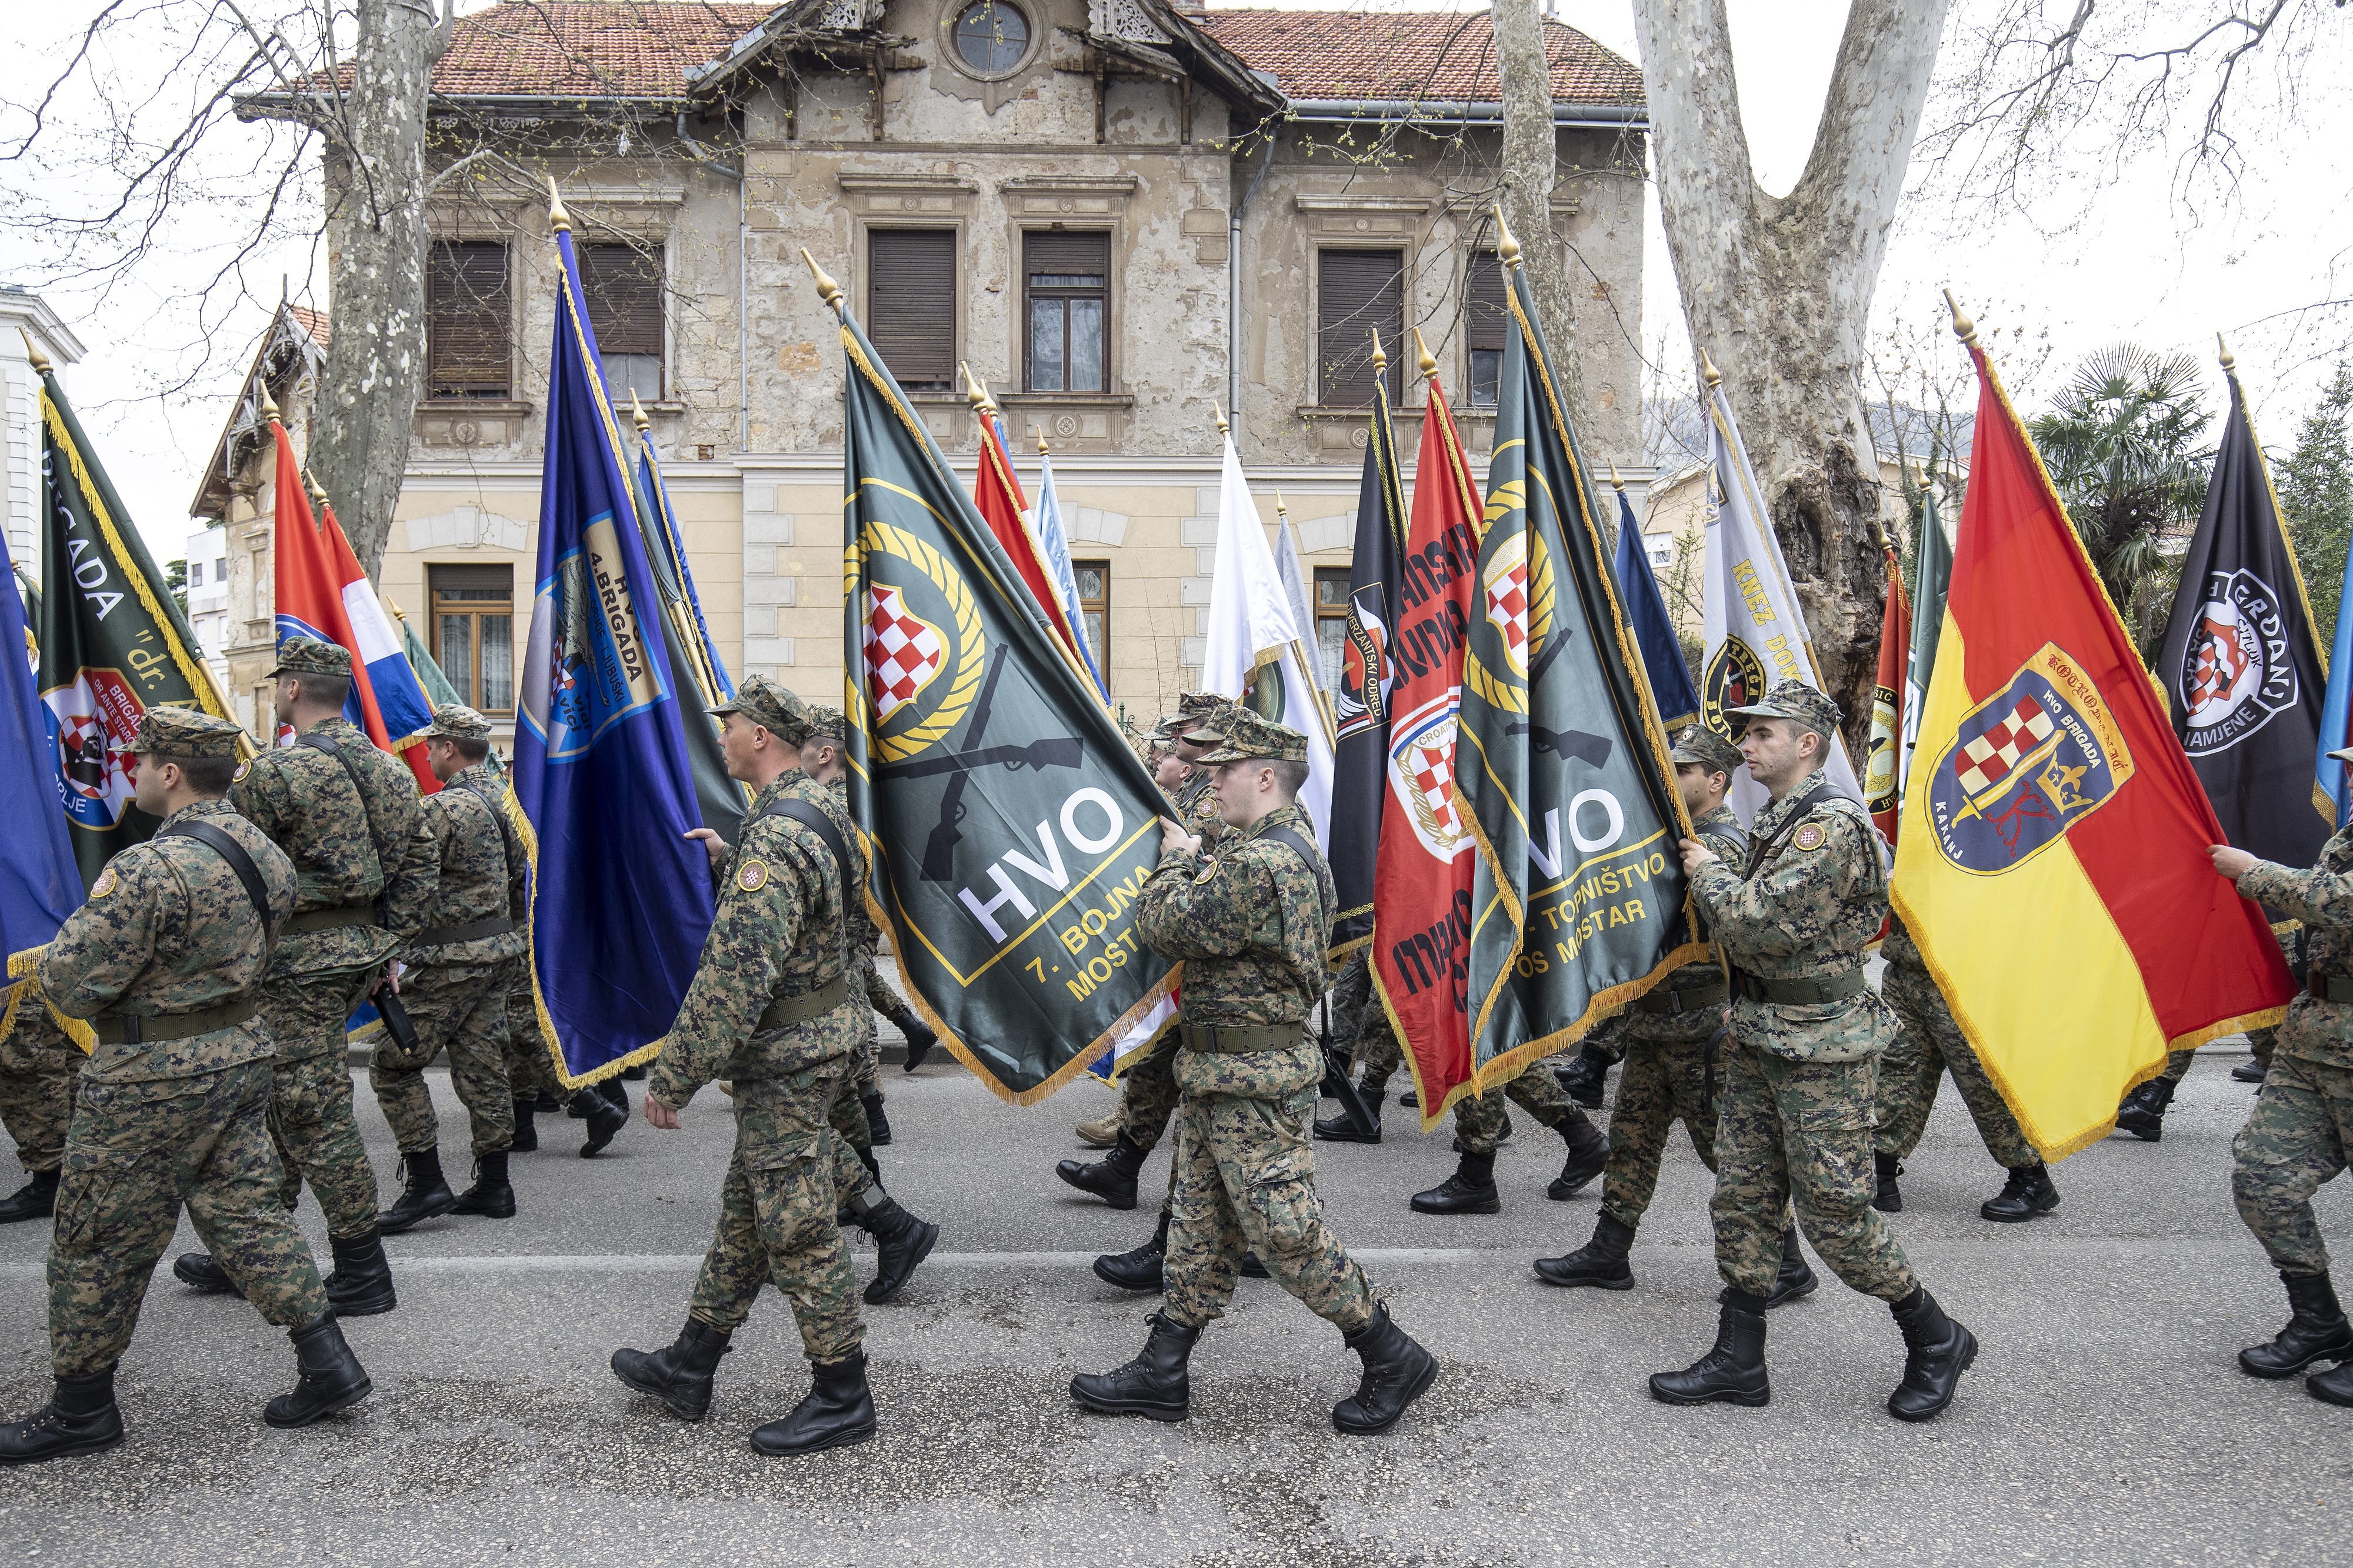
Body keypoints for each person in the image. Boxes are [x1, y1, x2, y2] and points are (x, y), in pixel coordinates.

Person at [0, 709, 370, 1463]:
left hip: (149, 1077)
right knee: (247, 1214)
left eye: (140, 761)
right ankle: (328, 1361)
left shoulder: (146, 868)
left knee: (94, 1238)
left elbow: (69, 982)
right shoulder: (263, 851)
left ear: (171, 773)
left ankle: (82, 1411)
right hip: (239, 1056)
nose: (130, 771)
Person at [1070, 710, 1439, 1435]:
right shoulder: (1274, 845)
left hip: (1253, 1078)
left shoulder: (1265, 862)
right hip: (1221, 1070)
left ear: (1265, 777)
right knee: (1199, 1227)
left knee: (1284, 1231)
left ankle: (1389, 1351)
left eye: (1224, 770)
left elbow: (1166, 926)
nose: (1209, 781)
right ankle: (1162, 1367)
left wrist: (1175, 857)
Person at [610, 679, 935, 1456]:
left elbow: (737, 970)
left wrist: (675, 1074)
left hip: (788, 1056)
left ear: (761, 735)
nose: (721, 736)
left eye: (730, 726)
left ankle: (842, 1393)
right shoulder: (817, 811)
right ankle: (691, 1363)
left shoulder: (781, 830)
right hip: (819, 1039)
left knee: (798, 1229)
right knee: (746, 1214)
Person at [1652, 682, 1975, 1422]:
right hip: (1763, 1033)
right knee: (1743, 1197)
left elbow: (1760, 926)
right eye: (1746, 733)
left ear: (1807, 743)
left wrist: (1708, 874)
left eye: (1763, 733)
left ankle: (1934, 1336)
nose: (1747, 745)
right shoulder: (1777, 818)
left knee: (1834, 1213)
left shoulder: (1827, 828)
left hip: (1821, 1047)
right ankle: (1740, 1357)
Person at [173, 638, 434, 1316]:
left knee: (311, 1112)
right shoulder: (391, 769)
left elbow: (240, 871)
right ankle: (262, 1253)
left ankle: (361, 1267)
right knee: (283, 1100)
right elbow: (419, 865)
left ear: (291, 689)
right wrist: (385, 947)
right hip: (354, 955)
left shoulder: (275, 773)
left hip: (295, 964)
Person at [1535, 726, 1814, 1305]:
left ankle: (1788, 1261)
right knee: (1632, 1137)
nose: (1672, 777)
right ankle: (1609, 1250)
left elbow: (1743, 928)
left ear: (1715, 780)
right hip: (1653, 1021)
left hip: (1700, 1026)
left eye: (1684, 770)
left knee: (1727, 1153)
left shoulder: (1725, 846)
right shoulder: (1675, 835)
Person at [2209, 793, 2353, 1409]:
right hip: (2312, 1033)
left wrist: (2252, 871)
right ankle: (2317, 1318)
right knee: (2263, 1180)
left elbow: (2340, 902)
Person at [372, 705, 525, 1232]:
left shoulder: (443, 809)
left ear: (450, 750)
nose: (429, 754)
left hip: (449, 961)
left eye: (433, 746)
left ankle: (425, 1182)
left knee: (393, 1064)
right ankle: (495, 1184)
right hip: (498, 954)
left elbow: (409, 884)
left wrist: (387, 949)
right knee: (482, 1064)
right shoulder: (508, 803)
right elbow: (518, 879)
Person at [1872, 910, 2057, 1222]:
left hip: (1962, 969)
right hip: (1907, 962)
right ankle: (1880, 1165)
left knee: (1980, 1076)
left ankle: (2031, 1176)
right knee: (1901, 1068)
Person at [0, 1002, 80, 1223]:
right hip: (44, 976)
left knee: (23, 1062)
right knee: (58, 1048)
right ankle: (74, 1172)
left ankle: (51, 1182)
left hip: (15, 979)